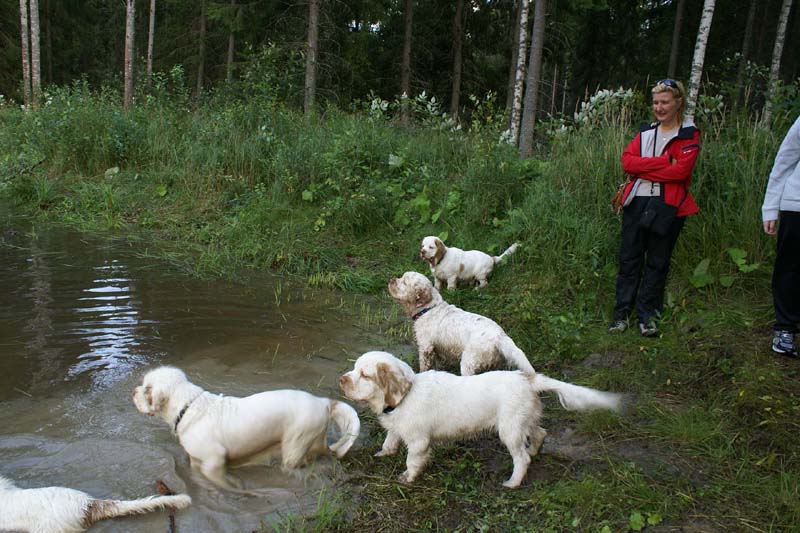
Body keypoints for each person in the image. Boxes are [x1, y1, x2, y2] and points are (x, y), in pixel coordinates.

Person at [608, 79, 701, 337]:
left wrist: (645, 167)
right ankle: (621, 314)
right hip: (637, 201)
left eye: (665, 102)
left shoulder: (689, 134)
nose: (659, 107)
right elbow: (628, 163)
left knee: (658, 261)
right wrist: (663, 162)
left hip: (668, 205)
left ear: (678, 103)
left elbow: (681, 172)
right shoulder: (646, 132)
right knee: (629, 258)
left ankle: (647, 316)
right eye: (656, 102)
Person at [761, 115, 800, 358]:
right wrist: (770, 208)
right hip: (796, 206)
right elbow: (785, 160)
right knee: (790, 269)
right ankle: (785, 329)